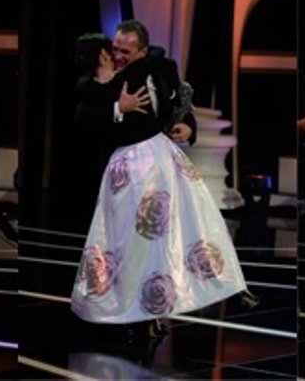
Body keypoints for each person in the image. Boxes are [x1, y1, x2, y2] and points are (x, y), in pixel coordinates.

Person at [69, 27, 246, 349]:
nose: (118, 55)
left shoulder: (162, 68)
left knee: (186, 229)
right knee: (127, 241)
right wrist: (118, 107)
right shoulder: (98, 79)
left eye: (125, 51)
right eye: (115, 48)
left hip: (162, 161)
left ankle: (216, 287)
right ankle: (131, 311)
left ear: (142, 50)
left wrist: (188, 126)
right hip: (125, 168)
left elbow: (181, 103)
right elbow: (83, 117)